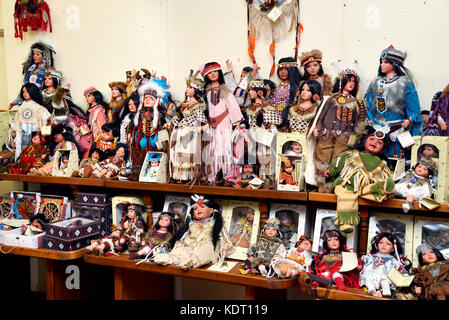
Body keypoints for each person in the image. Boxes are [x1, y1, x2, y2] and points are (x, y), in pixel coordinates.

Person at [324, 126, 394, 234]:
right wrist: (331, 170)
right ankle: (346, 222)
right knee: (345, 195)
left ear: (383, 148)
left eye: (379, 143)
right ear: (364, 140)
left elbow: (385, 174)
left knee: (375, 189)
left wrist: (386, 181)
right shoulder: (352, 155)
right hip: (348, 185)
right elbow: (339, 162)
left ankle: (383, 187)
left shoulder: (382, 163)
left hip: (365, 188)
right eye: (371, 139)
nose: (374, 143)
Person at [311, 60, 366, 193]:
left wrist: (356, 136)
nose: (351, 84)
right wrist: (317, 127)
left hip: (344, 138)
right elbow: (321, 114)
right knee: (323, 160)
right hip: (326, 134)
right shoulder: (331, 98)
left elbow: (360, 122)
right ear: (342, 82)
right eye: (348, 81)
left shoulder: (357, 103)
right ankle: (321, 188)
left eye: (354, 82)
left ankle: (334, 188)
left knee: (338, 161)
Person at [364, 45, 422, 159]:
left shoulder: (404, 83)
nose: (382, 64)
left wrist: (409, 121)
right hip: (377, 130)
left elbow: (414, 109)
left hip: (396, 130)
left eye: (385, 62)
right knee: (373, 158)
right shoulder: (375, 83)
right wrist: (370, 121)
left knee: (395, 160)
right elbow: (369, 105)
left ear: (394, 64)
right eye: (381, 61)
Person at [153, 194, 232, 270]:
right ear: (193, 214)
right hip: (190, 244)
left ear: (211, 210)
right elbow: (184, 235)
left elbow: (223, 238)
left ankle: (191, 262)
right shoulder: (191, 223)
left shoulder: (215, 224)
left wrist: (224, 248)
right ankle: (171, 258)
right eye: (195, 209)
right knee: (181, 250)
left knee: (204, 252)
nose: (199, 210)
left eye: (202, 207)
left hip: (206, 244)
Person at [201, 62, 243, 185]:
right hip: (211, 127)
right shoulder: (206, 93)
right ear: (206, 76)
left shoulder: (225, 90)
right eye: (210, 73)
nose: (213, 74)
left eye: (215, 71)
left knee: (224, 149)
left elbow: (233, 107)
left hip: (224, 126)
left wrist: (237, 124)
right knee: (211, 151)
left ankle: (226, 175)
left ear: (219, 73)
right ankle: (211, 176)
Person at [169, 70, 208, 184]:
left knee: (188, 155)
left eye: (190, 87)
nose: (187, 90)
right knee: (179, 154)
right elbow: (176, 119)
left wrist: (196, 129)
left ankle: (190, 176)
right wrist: (175, 119)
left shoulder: (199, 106)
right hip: (181, 133)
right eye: (187, 87)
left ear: (196, 90)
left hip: (190, 134)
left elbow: (202, 122)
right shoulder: (183, 105)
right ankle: (179, 176)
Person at [10, 83, 52, 161]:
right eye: (23, 92)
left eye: (27, 91)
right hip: (22, 136)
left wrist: (43, 138)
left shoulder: (40, 108)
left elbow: (47, 123)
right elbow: (18, 125)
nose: (25, 94)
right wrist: (15, 139)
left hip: (35, 136)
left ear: (32, 91)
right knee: (21, 157)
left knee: (34, 159)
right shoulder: (21, 108)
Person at [360, 233, 409, 297]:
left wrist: (405, 275)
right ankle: (371, 288)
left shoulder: (393, 260)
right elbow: (362, 262)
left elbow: (401, 269)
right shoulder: (370, 257)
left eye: (388, 244)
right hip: (372, 273)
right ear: (377, 245)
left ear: (393, 248)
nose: (384, 245)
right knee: (367, 278)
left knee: (385, 279)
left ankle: (386, 290)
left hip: (384, 275)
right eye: (381, 243)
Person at [9, 41, 55, 109]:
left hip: (40, 99)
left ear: (44, 56)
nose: (34, 56)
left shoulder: (47, 70)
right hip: (28, 99)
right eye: (33, 54)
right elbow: (25, 86)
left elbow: (51, 83)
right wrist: (15, 102)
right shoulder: (30, 69)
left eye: (37, 54)